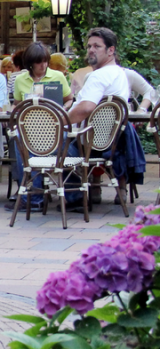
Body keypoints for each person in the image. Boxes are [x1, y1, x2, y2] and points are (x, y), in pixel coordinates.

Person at [9, 28, 131, 213]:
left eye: (97, 46)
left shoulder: (99, 75)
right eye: (89, 46)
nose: (91, 50)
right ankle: (74, 198)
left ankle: (33, 198)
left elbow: (85, 107)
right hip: (102, 143)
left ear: (111, 50)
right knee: (48, 140)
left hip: (84, 143)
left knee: (23, 138)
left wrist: (59, 125)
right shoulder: (119, 73)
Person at [13, 42, 73, 107]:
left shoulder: (58, 76)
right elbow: (16, 105)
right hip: (29, 113)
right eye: (38, 62)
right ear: (30, 62)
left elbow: (69, 99)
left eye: (45, 61)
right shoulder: (20, 79)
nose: (43, 65)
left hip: (53, 113)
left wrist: (63, 109)